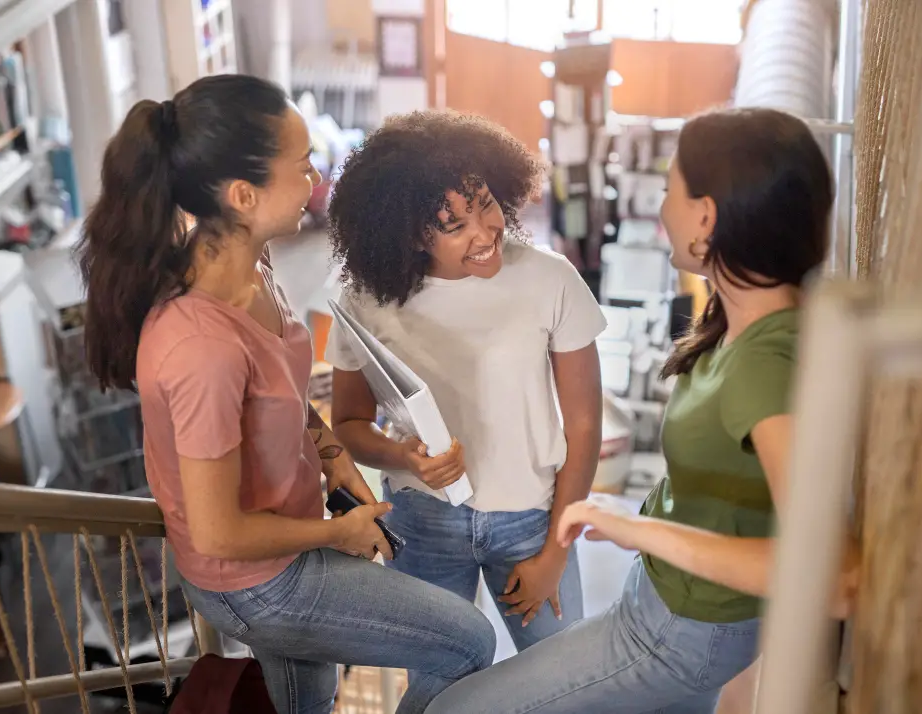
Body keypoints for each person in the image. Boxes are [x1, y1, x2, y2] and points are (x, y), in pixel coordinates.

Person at [76, 75, 495, 714]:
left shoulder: (255, 262)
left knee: (310, 697)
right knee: (468, 640)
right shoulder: (199, 346)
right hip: (258, 579)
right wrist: (337, 535)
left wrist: (331, 456)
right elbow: (217, 534)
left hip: (286, 536)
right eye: (302, 168)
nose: (316, 179)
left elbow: (283, 392)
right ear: (244, 195)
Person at [423, 107, 860, 714]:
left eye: (669, 188)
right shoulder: (745, 321)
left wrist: (642, 530)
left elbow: (833, 575)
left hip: (683, 630)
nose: (660, 207)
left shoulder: (765, 363)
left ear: (705, 214)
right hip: (674, 612)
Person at [325, 110, 606, 652]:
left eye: (485, 206)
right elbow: (350, 424)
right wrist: (405, 457)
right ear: (407, 235)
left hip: (531, 522)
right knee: (438, 687)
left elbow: (585, 425)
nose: (483, 234)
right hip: (423, 521)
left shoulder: (550, 279)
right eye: (453, 226)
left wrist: (556, 552)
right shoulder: (366, 297)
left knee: (566, 679)